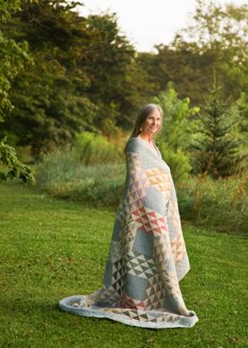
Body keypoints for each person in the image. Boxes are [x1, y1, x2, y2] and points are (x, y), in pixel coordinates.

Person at [59, 104, 198, 329]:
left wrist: (162, 204)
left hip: (157, 211)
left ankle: (163, 300)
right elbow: (136, 178)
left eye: (158, 119)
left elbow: (158, 177)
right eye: (151, 119)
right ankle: (143, 300)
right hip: (140, 211)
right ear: (142, 120)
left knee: (158, 256)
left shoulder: (154, 146)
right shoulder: (135, 144)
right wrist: (151, 203)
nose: (155, 123)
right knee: (142, 256)